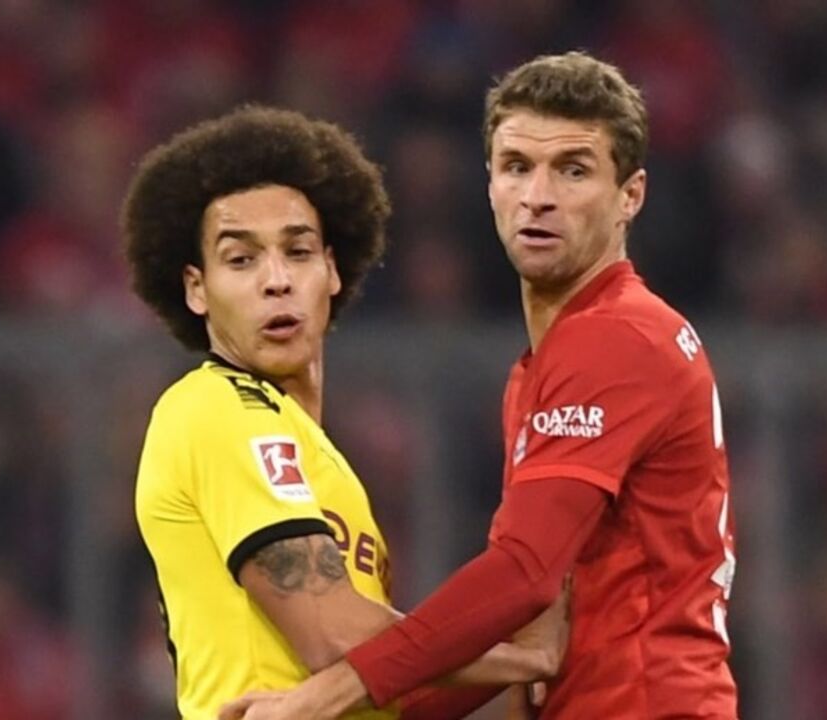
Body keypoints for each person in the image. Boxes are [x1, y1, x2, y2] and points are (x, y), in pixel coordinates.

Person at [221, 51, 739, 720]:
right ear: (489, 182)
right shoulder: (554, 359)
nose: (538, 196)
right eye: (517, 166)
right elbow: (526, 631)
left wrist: (332, 691)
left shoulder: (614, 339)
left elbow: (523, 574)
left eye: (573, 170)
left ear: (630, 196)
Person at [123, 105, 569, 720]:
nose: (276, 280)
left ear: (331, 270)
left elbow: (387, 683)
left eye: (298, 251)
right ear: (196, 288)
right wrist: (521, 657)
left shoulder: (319, 458)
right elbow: (333, 631)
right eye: (241, 259)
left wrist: (523, 648)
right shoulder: (217, 407)